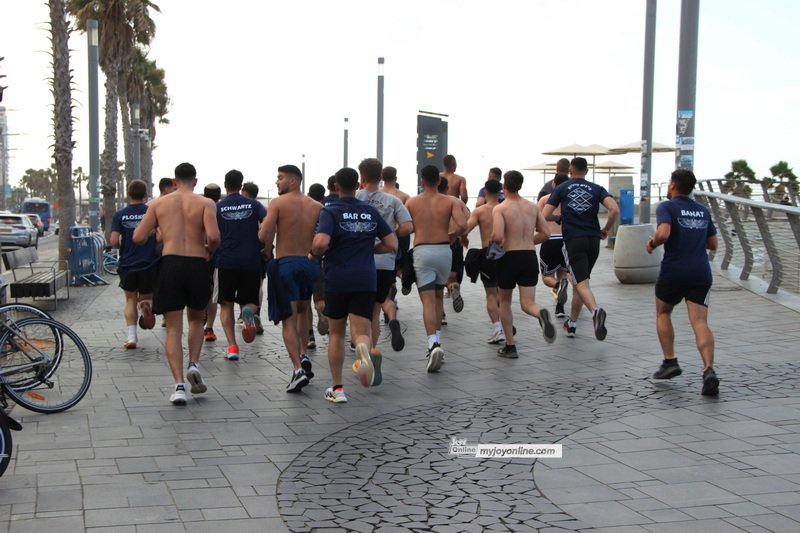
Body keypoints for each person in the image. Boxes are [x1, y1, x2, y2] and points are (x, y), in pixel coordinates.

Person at [133, 162, 220, 406]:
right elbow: (213, 237)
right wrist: (209, 250)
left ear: (173, 181)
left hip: (170, 263)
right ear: (195, 181)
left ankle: (179, 385)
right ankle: (194, 363)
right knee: (196, 319)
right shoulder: (205, 203)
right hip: (196, 263)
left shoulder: (158, 204)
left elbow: (138, 237)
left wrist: (159, 233)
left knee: (173, 327)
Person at [312, 167, 397, 403]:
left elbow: (321, 241)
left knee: (337, 333)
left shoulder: (330, 211)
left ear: (337, 187)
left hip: (338, 278)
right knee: (362, 331)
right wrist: (371, 249)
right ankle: (363, 352)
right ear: (358, 184)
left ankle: (337, 389)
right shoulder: (369, 211)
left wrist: (313, 254)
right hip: (365, 278)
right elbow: (392, 243)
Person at [646, 169, 719, 396]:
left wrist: (652, 244)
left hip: (674, 271)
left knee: (663, 312)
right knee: (700, 322)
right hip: (700, 272)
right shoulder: (702, 210)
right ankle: (708, 370)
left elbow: (664, 233)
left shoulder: (667, 207)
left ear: (674, 185)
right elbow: (713, 243)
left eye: (669, 182)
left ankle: (670, 361)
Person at [258, 164, 322, 393]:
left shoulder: (278, 203)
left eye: (280, 178)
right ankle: (304, 353)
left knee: (289, 318)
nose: (277, 182)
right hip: (309, 263)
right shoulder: (317, 206)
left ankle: (297, 369)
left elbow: (265, 233)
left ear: (293, 181)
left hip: (286, 263)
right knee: (304, 312)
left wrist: (264, 247)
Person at [542, 157, 619, 340]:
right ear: (587, 171)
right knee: (580, 281)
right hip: (593, 240)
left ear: (570, 171)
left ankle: (595, 311)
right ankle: (572, 324)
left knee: (581, 282)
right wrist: (606, 229)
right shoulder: (597, 188)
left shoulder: (561, 188)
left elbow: (545, 214)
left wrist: (560, 218)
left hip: (574, 240)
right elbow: (614, 209)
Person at [405, 164, 468, 372]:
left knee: (427, 300)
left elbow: (406, 227)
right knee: (440, 297)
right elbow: (463, 225)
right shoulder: (451, 201)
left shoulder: (412, 202)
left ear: (422, 180)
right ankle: (438, 340)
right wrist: (451, 237)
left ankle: (432, 343)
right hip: (444, 250)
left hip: (423, 250)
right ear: (439, 181)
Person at [491, 170, 554, 357]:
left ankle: (510, 346)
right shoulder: (532, 207)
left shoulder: (500, 208)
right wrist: (527, 241)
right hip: (528, 256)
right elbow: (546, 234)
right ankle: (541, 312)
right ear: (520, 185)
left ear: (504, 185)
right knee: (528, 303)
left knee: (504, 302)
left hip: (509, 258)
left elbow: (498, 236)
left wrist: (493, 246)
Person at [356, 158, 413, 354]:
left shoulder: (355, 197)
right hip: (384, 263)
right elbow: (408, 226)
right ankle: (372, 350)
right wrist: (390, 235)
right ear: (380, 177)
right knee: (375, 310)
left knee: (357, 311)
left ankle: (360, 345)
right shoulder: (393, 200)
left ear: (361, 176)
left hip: (358, 263)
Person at [216, 171, 266, 360]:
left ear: (225, 185)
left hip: (226, 260)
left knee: (226, 303)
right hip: (250, 260)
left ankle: (232, 347)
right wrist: (265, 247)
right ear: (241, 185)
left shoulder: (218, 206)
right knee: (251, 300)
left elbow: (211, 233)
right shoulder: (254, 205)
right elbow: (268, 224)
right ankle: (248, 313)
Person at [110, 179, 159, 350]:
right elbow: (161, 235)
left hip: (128, 263)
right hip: (149, 262)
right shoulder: (152, 212)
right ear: (145, 195)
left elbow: (114, 241)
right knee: (146, 296)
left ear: (128, 194)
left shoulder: (119, 215)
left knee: (130, 299)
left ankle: (131, 337)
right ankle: (146, 305)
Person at [463, 179, 504, 344]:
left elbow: (467, 227)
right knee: (503, 293)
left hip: (489, 253)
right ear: (501, 191)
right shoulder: (506, 208)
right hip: (506, 253)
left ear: (485, 192)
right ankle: (505, 324)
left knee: (491, 294)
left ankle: (498, 329)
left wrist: (460, 237)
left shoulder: (480, 211)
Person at [537, 174, 570, 318]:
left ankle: (556, 286)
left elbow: (538, 218)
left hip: (550, 240)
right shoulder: (570, 200)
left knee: (547, 277)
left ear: (553, 185)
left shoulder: (545, 199)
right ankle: (560, 307)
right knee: (563, 274)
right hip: (567, 241)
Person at [241, 181, 267, 336]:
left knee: (227, 299)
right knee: (258, 285)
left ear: (244, 192)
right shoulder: (260, 208)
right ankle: (254, 312)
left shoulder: (247, 206)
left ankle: (243, 314)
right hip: (256, 253)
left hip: (234, 253)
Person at [202, 183, 222, 342]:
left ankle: (199, 313)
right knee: (213, 293)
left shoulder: (201, 208)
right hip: (218, 256)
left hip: (199, 254)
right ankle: (209, 327)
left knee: (199, 289)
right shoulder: (220, 209)